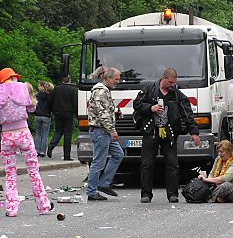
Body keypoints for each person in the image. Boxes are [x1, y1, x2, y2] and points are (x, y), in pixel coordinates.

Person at [133, 67, 200, 203]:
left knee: (172, 164)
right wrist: (150, 108)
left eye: (174, 83)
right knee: (146, 164)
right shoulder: (149, 90)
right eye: (170, 82)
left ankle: (172, 194)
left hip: (169, 133)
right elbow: (136, 104)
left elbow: (187, 114)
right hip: (151, 131)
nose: (172, 85)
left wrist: (194, 132)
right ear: (163, 78)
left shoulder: (176, 94)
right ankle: (146, 194)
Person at [0, 67, 53, 217]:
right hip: (23, 133)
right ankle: (43, 206)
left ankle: (11, 209)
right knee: (33, 171)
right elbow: (31, 108)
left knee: (10, 173)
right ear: (12, 77)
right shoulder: (23, 87)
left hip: (6, 135)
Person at [86, 67, 124, 201]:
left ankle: (104, 183)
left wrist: (115, 114)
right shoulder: (101, 92)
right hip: (101, 131)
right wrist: (112, 131)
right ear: (107, 78)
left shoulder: (103, 91)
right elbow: (103, 115)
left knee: (118, 154)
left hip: (103, 131)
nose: (118, 81)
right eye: (116, 79)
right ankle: (91, 191)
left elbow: (104, 112)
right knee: (98, 162)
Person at [47, 75, 78, 160]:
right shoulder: (72, 90)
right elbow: (75, 104)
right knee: (68, 134)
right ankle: (67, 155)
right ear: (69, 80)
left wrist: (52, 110)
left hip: (58, 113)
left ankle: (51, 145)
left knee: (58, 131)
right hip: (68, 114)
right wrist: (76, 115)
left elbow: (49, 101)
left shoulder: (56, 89)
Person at [34, 81, 54, 157]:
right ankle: (42, 151)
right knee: (45, 134)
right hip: (46, 116)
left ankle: (37, 150)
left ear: (42, 86)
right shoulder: (50, 96)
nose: (38, 87)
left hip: (38, 115)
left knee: (38, 134)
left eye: (39, 86)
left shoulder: (37, 95)